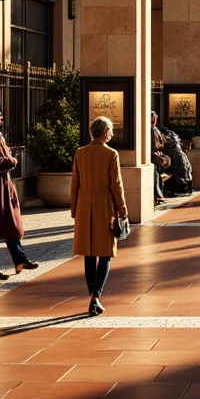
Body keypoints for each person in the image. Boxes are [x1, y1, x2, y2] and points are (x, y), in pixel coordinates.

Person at [71, 115, 128, 316]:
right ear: (105, 132)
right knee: (105, 253)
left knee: (88, 252)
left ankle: (93, 295)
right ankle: (96, 295)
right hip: (105, 205)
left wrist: (75, 209)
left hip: (85, 205)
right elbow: (116, 184)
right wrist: (122, 209)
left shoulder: (80, 153)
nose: (112, 133)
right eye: (111, 130)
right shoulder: (111, 154)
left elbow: (75, 183)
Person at [0, 103, 37, 281]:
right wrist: (12, 161)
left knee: (11, 225)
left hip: (4, 185)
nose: (1, 118)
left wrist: (9, 160)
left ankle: (20, 260)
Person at [150, 110, 168, 207]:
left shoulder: (155, 129)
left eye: (155, 117)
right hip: (154, 156)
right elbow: (155, 145)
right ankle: (158, 194)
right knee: (157, 170)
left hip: (157, 155)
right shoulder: (152, 130)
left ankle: (159, 192)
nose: (154, 120)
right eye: (153, 118)